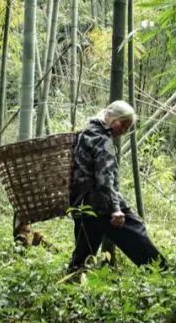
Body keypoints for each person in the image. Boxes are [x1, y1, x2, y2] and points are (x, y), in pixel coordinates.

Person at [67, 100, 166, 274]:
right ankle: (164, 275)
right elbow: (105, 179)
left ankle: (72, 285)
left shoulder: (84, 134)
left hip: (83, 206)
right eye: (123, 123)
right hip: (102, 205)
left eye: (128, 127)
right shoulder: (102, 140)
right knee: (136, 233)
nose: (124, 130)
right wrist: (115, 209)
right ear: (110, 116)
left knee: (82, 257)